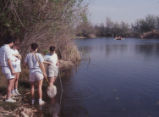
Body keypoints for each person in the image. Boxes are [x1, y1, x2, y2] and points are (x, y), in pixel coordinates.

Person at [0, 35, 16, 103]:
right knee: (10, 83)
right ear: (11, 42)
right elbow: (8, 60)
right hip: (7, 67)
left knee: (9, 83)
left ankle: (8, 96)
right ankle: (8, 98)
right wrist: (12, 69)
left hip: (3, 67)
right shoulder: (7, 48)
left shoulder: (1, 47)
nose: (13, 44)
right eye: (13, 43)